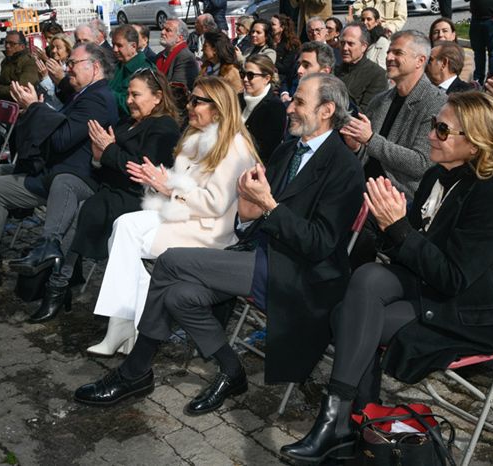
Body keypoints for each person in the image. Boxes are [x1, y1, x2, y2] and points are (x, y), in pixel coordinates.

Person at [73, 73, 364, 416]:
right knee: (178, 295)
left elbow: (319, 244)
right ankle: (231, 370)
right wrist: (248, 210)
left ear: (327, 110)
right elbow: (253, 214)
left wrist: (268, 207)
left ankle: (135, 372)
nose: (289, 108)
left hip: (302, 274)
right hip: (261, 252)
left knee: (169, 264)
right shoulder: (290, 149)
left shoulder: (344, 166)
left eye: (299, 102)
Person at [280, 91, 493, 464]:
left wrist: (399, 229)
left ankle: (341, 423)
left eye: (442, 130)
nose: (430, 135)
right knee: (368, 278)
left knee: (347, 315)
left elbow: (453, 276)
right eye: (432, 124)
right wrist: (387, 226)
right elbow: (413, 256)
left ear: (475, 144)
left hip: (468, 311)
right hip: (430, 288)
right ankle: (349, 421)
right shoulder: (435, 177)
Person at [82, 76, 260, 356]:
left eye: (197, 101)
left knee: (126, 232)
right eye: (191, 99)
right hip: (184, 217)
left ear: (218, 107)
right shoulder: (196, 137)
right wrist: (162, 181)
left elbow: (215, 203)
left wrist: (169, 188)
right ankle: (125, 323)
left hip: (211, 231)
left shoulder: (235, 147)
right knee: (123, 227)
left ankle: (124, 324)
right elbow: (184, 185)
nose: (189, 106)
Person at [0, 44, 119, 301]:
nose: (67, 68)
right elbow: (59, 127)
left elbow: (61, 139)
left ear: (94, 67)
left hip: (70, 178)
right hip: (55, 167)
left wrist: (35, 107)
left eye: (73, 63)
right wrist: (37, 106)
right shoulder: (86, 93)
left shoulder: (98, 99)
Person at [31, 69, 181, 326]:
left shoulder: (163, 127)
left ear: (157, 97)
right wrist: (99, 157)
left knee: (83, 211)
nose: (130, 100)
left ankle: (57, 284)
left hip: (137, 197)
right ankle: (48, 247)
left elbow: (142, 170)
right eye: (128, 94)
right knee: (65, 182)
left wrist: (109, 150)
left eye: (136, 95)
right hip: (108, 184)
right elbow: (106, 159)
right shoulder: (127, 120)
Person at [341, 30, 446, 199]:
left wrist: (370, 139)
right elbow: (370, 154)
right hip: (362, 187)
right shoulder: (380, 101)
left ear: (420, 61)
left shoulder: (436, 103)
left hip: (399, 198)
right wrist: (356, 146)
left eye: (398, 53)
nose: (389, 57)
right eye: (389, 51)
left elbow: (422, 163)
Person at [239, 55, 287, 164]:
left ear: (266, 78)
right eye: (243, 74)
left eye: (250, 75)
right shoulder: (238, 99)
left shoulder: (275, 107)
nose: (245, 79)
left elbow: (266, 150)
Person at [334, 23, 387, 113]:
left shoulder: (377, 74)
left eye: (350, 44)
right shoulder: (334, 70)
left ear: (363, 47)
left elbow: (367, 112)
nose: (345, 48)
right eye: (342, 43)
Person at [0, 30, 39, 102]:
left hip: (22, 107)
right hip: (5, 104)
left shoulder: (29, 62)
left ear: (22, 46)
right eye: (6, 43)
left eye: (12, 44)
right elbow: (0, 85)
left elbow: (23, 90)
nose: (7, 46)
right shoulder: (6, 61)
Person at [108, 25, 154, 117]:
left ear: (133, 46)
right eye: (113, 45)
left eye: (119, 45)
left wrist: (107, 94)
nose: (115, 49)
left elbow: (135, 105)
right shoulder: (118, 65)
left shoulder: (144, 70)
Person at [156, 18, 199, 90]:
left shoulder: (185, 57)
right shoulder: (160, 55)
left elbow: (178, 90)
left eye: (168, 30)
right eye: (163, 28)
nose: (162, 32)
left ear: (180, 38)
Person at [429, 17, 475, 84]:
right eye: (436, 32)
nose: (440, 35)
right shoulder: (425, 58)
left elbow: (462, 82)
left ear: (453, 35)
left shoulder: (465, 58)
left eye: (445, 31)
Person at [36, 33, 73, 105]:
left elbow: (59, 100)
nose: (53, 51)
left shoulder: (71, 70)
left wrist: (45, 78)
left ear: (68, 51)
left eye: (58, 48)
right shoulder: (49, 67)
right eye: (52, 47)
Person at [271, 14, 301, 96]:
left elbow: (286, 68)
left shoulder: (290, 45)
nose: (270, 27)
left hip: (283, 81)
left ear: (282, 27)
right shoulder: (268, 42)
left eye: (273, 24)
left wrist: (270, 61)